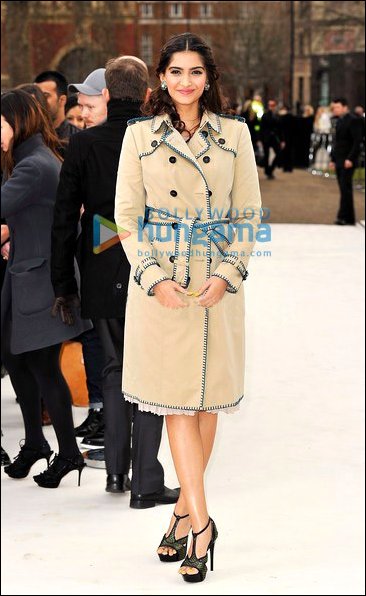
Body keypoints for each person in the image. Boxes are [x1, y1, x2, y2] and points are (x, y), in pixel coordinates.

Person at [114, 32, 262, 582]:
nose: (184, 81)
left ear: (209, 78)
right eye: (174, 71)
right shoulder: (138, 138)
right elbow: (124, 217)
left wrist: (228, 274)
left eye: (194, 72)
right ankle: (202, 524)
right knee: (177, 402)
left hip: (216, 283)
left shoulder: (236, 136)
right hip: (162, 285)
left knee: (206, 402)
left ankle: (180, 513)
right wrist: (152, 279)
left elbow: (248, 213)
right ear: (160, 77)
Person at [50, 55, 179, 504]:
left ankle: (116, 476)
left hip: (103, 268)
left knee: (114, 368)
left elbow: (64, 219)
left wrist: (63, 284)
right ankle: (144, 481)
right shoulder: (160, 139)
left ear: (106, 94)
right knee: (152, 376)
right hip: (153, 268)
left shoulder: (85, 144)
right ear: (147, 94)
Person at [1, 90, 91, 488]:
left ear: (17, 122)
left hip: (40, 280)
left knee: (41, 365)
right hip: (26, 274)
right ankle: (38, 443)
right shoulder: (32, 158)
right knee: (18, 359)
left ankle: (68, 452)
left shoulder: (33, 166)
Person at [330, 97, 363, 225]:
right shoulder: (339, 121)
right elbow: (337, 142)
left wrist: (350, 158)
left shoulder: (354, 120)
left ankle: (344, 217)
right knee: (344, 188)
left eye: (337, 107)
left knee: (346, 188)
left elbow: (357, 141)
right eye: (334, 108)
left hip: (348, 160)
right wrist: (333, 159)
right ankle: (348, 217)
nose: (335, 110)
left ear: (345, 107)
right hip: (339, 159)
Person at [34, 70, 80, 147]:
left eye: (45, 96)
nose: (39, 101)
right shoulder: (28, 138)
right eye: (36, 96)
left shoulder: (78, 139)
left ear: (62, 100)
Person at [260, 98, 285, 179]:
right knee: (266, 155)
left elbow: (280, 128)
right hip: (266, 138)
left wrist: (282, 140)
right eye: (270, 105)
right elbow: (262, 128)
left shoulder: (277, 116)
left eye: (273, 105)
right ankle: (268, 172)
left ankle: (270, 170)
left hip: (275, 138)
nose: (271, 107)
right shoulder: (265, 115)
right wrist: (260, 139)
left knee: (279, 153)